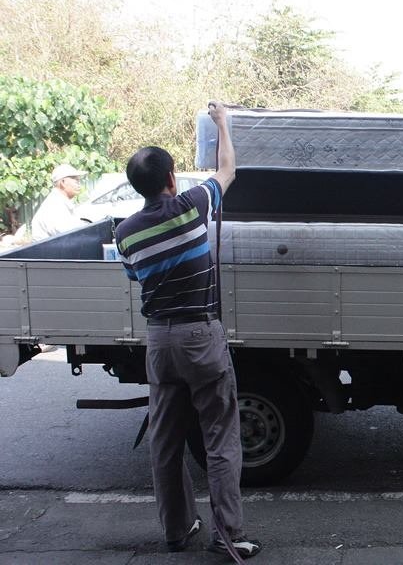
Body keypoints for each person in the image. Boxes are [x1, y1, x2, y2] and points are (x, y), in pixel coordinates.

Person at [115, 102, 261, 559]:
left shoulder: (126, 234)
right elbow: (227, 170)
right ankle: (227, 535)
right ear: (172, 179)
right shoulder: (193, 206)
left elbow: (136, 278)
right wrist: (222, 124)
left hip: (159, 340)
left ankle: (176, 531)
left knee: (165, 440)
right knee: (219, 438)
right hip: (201, 337)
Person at [30, 163, 88, 241]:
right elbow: (70, 237)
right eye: (76, 181)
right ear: (63, 182)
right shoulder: (54, 205)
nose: (79, 184)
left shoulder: (60, 201)